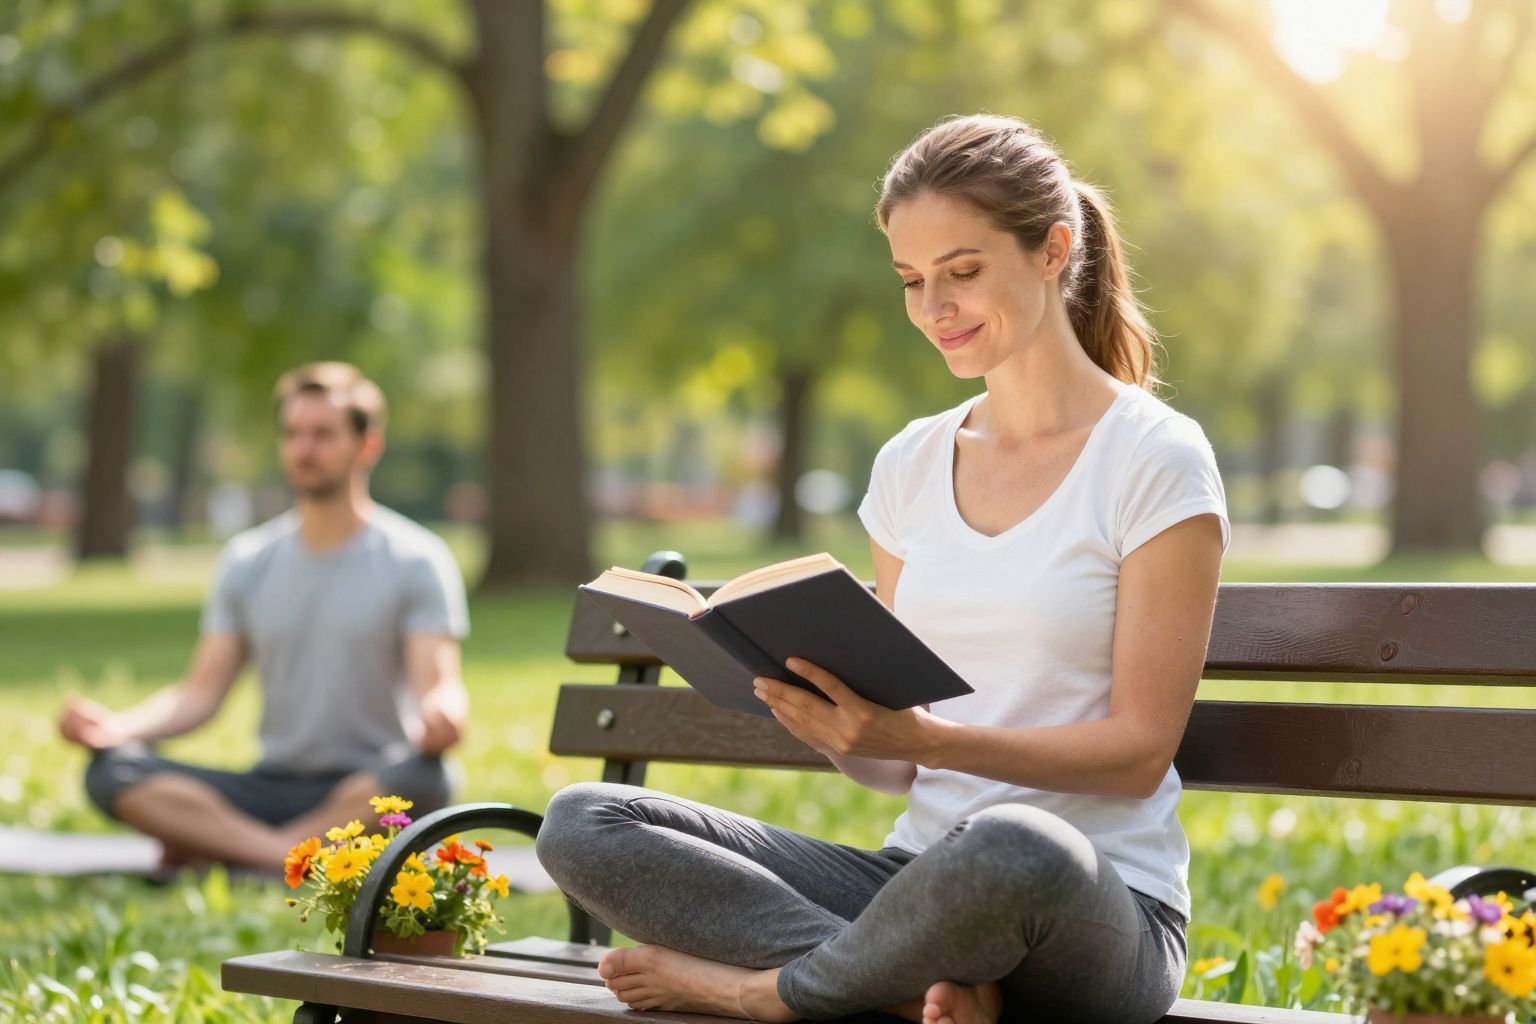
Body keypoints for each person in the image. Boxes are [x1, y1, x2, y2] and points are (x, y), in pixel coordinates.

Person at [535, 113, 1230, 1024]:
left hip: (1089, 906)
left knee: (1014, 845)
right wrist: (841, 726)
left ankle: (772, 995)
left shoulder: (1154, 458)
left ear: (1054, 250)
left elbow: (1140, 753)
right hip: (915, 887)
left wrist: (929, 743)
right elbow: (894, 775)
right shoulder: (909, 464)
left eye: (963, 271)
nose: (933, 307)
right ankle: (904, 993)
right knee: (585, 822)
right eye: (911, 280)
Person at [59, 362, 470, 871]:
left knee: (428, 779)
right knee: (110, 772)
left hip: (366, 787)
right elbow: (199, 694)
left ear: (367, 446)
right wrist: (116, 727)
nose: (305, 448)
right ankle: (287, 855)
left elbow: (439, 682)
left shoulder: (416, 558)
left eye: (323, 434)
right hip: (267, 785)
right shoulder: (247, 560)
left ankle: (232, 849)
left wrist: (444, 716)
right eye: (293, 434)